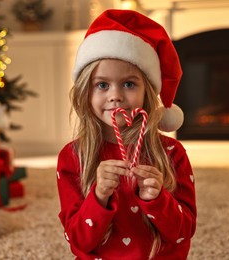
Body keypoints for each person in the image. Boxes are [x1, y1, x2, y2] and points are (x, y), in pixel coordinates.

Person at [56, 9, 196, 260]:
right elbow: (78, 240)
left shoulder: (172, 153)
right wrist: (98, 197)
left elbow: (183, 233)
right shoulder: (73, 157)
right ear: (85, 93)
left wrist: (158, 200)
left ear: (147, 91)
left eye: (129, 84)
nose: (115, 95)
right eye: (102, 85)